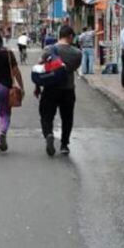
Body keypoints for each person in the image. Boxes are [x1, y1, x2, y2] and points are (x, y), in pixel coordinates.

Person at [35, 25, 82, 156]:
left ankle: (49, 134)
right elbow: (74, 68)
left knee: (46, 115)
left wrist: (37, 86)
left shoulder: (49, 49)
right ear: (70, 36)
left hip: (50, 88)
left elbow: (39, 66)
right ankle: (64, 145)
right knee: (67, 118)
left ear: (59, 35)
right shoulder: (77, 53)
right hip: (68, 89)